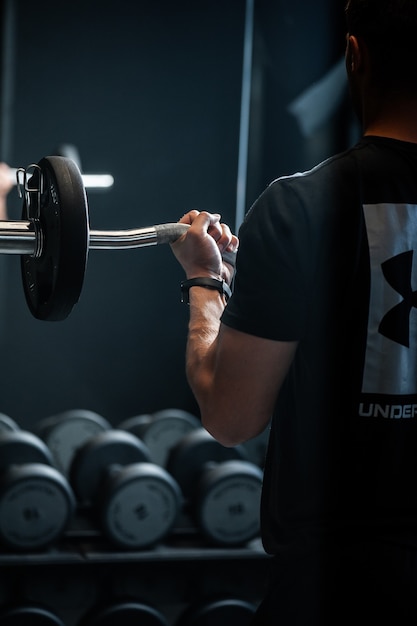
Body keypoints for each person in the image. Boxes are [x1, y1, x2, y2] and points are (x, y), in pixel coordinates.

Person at [170, 0, 417, 623]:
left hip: (334, 593)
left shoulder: (300, 207)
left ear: (354, 54)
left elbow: (230, 416)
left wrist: (205, 284)